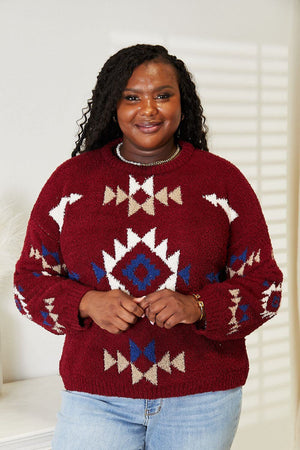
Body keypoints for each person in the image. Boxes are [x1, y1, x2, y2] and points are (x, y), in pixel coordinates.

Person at [14, 44, 283, 450]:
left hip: (202, 399)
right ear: (112, 105)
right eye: (131, 97)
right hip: (96, 397)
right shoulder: (71, 183)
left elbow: (266, 286)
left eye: (162, 95)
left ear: (182, 101)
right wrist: (87, 302)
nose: (149, 110)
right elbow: (27, 283)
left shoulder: (222, 181)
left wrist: (200, 306)